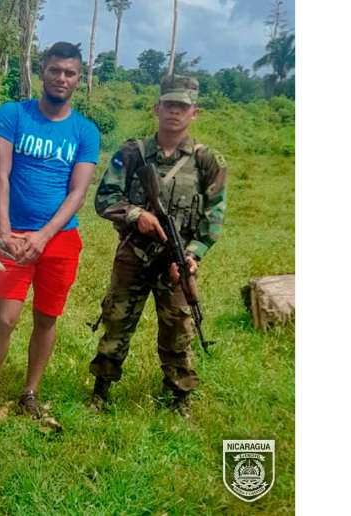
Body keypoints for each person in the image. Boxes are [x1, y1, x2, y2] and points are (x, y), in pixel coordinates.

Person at [0, 42, 100, 417]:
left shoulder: (85, 131)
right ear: (42, 72)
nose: (62, 78)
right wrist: (5, 233)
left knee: (46, 318)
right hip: (13, 237)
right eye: (55, 70)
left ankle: (30, 392)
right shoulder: (13, 115)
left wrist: (43, 237)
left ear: (79, 79)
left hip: (60, 240)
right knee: (5, 318)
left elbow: (77, 193)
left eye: (70, 73)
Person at [87, 75, 228, 418]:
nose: (174, 111)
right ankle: (101, 389)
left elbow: (214, 216)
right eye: (169, 105)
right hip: (134, 254)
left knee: (179, 327)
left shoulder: (207, 161)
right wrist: (138, 215)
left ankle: (179, 394)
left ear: (194, 112)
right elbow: (104, 198)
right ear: (157, 108)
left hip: (176, 263)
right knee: (116, 321)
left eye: (182, 106)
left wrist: (193, 255)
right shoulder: (131, 153)